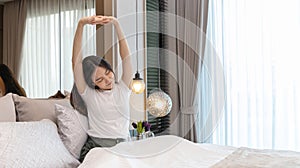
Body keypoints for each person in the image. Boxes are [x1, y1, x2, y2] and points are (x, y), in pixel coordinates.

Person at [71, 15, 132, 162]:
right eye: (99, 80)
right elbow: (76, 62)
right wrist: (81, 24)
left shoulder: (123, 88)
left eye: (107, 73)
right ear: (93, 84)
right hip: (98, 148)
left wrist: (116, 24)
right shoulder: (89, 94)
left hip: (123, 147)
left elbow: (126, 57)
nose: (108, 80)